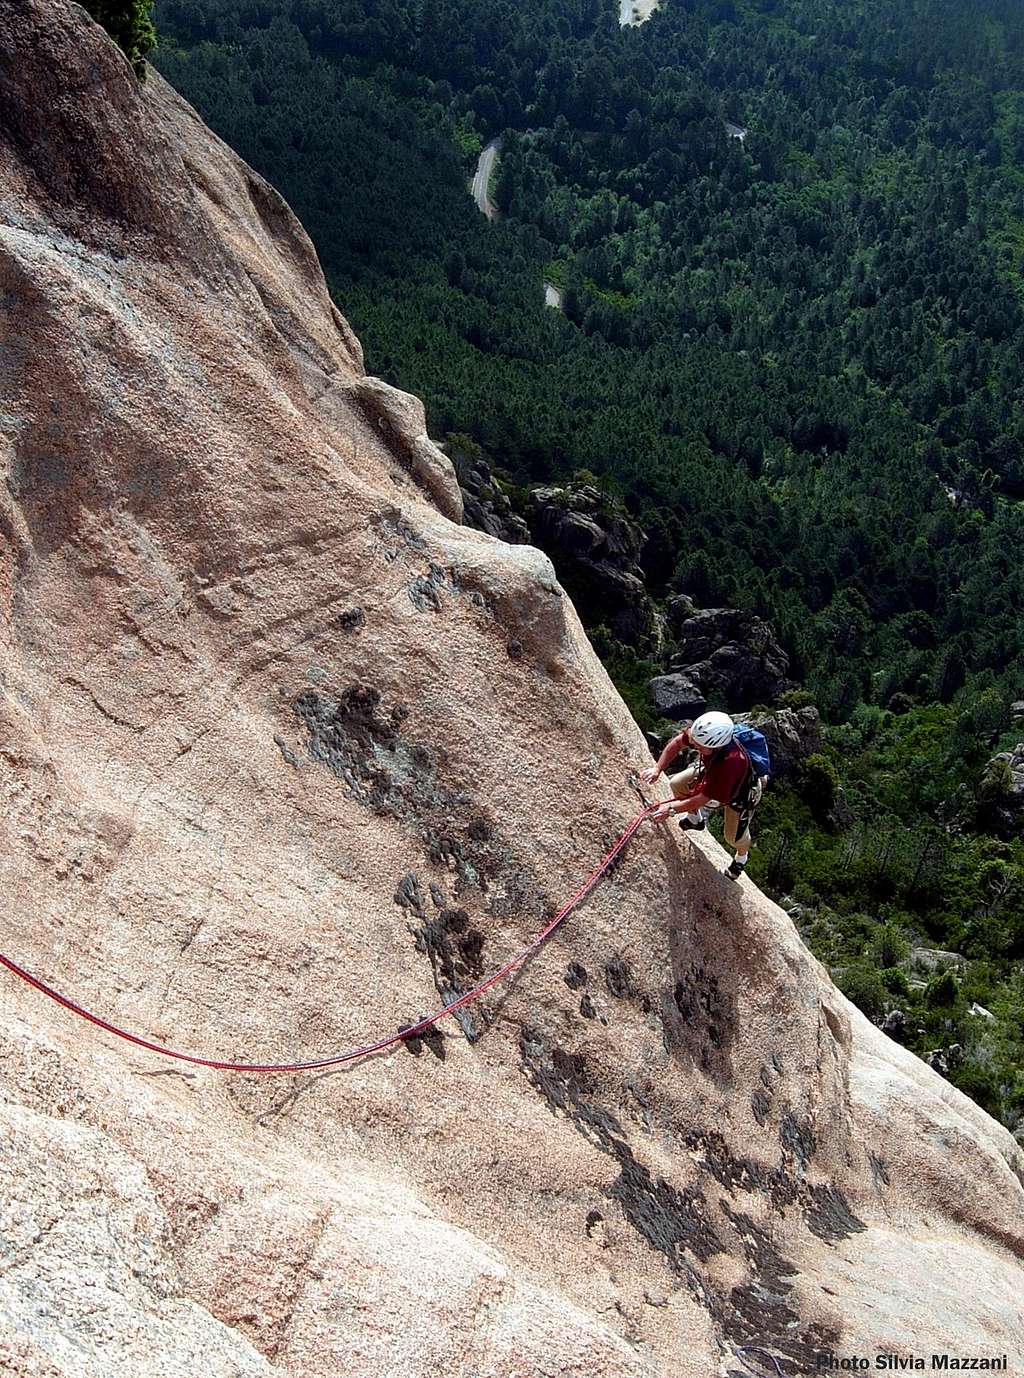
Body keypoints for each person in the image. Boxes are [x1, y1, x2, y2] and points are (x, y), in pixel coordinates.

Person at [640, 710, 762, 879]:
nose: (695, 746)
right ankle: (694, 820)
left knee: (733, 837)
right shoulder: (702, 736)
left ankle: (742, 856)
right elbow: (677, 743)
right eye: (695, 742)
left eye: (700, 746)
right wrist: (657, 768)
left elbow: (703, 798)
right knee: (677, 784)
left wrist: (671, 808)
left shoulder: (732, 763)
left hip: (741, 793)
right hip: (713, 772)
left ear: (717, 746)